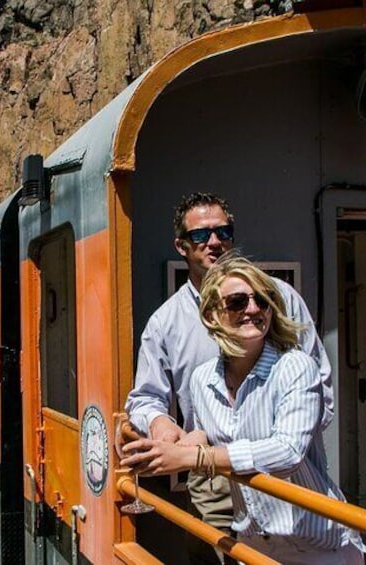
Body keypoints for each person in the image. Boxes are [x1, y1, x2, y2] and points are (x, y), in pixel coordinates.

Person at [123, 192, 332, 561]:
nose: (215, 242)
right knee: (221, 553)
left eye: (223, 232)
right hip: (211, 480)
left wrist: (297, 433)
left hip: (287, 475)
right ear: (182, 246)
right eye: (202, 235)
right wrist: (161, 426)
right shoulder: (167, 324)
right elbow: (146, 398)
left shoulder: (278, 296)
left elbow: (320, 383)